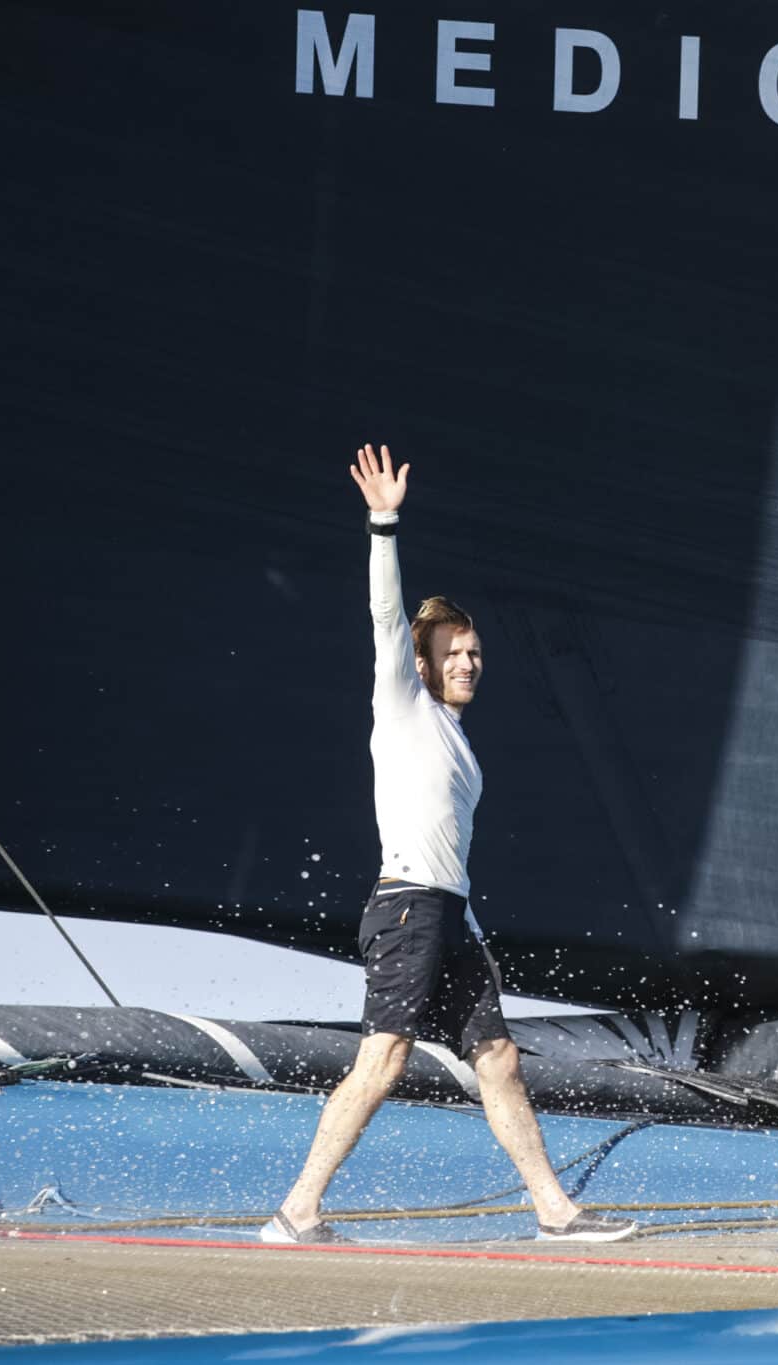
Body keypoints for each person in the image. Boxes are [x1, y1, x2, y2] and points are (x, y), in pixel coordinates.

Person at [263, 444, 638, 1245]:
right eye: (455, 653)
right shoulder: (401, 703)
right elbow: (387, 615)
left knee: (497, 1055)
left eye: (475, 654)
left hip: (446, 913)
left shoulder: (460, 744)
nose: (469, 662)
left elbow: (452, 859)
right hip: (404, 910)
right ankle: (296, 1211)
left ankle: (553, 1211)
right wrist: (385, 524)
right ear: (425, 665)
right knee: (385, 1057)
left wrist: (465, 924)